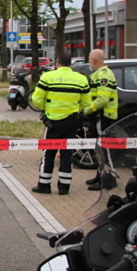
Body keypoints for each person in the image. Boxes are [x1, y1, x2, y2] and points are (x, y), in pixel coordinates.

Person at [30, 51, 90, 196]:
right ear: (70, 64)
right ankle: (64, 187)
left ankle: (44, 185)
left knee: (48, 153)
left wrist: (46, 108)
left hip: (52, 122)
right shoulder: (81, 79)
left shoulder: (48, 77)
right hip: (71, 121)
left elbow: (36, 99)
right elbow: (86, 103)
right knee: (67, 153)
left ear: (57, 63)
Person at [82, 49, 118, 191]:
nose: (89, 61)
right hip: (99, 116)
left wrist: (88, 110)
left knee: (104, 148)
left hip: (103, 117)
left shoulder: (104, 75)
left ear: (94, 60)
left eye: (90, 58)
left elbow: (102, 99)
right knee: (99, 147)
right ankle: (100, 175)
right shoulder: (98, 74)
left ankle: (108, 179)